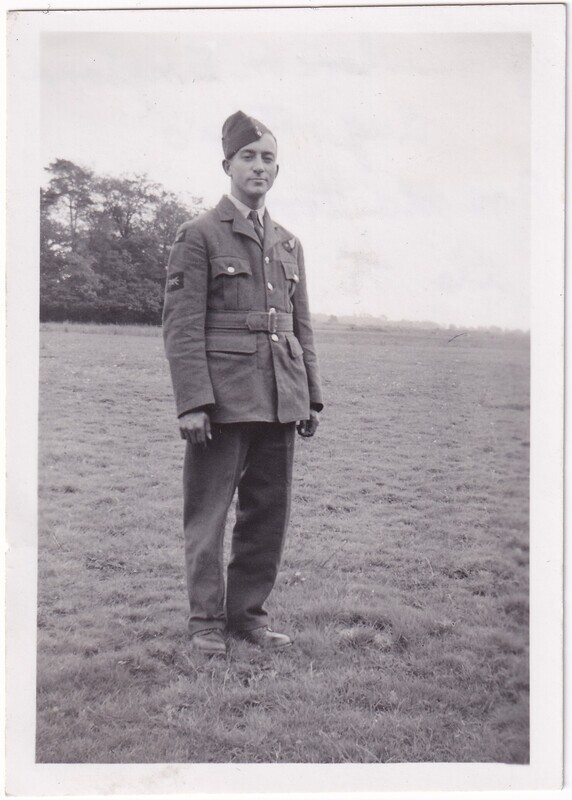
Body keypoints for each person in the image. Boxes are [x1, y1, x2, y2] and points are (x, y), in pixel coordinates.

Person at [163, 110, 323, 656]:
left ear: (277, 170)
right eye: (249, 156)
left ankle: (247, 618)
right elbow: (181, 326)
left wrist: (311, 396)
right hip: (223, 400)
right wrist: (192, 403)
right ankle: (206, 622)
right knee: (207, 515)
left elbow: (300, 325)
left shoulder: (289, 243)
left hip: (281, 397)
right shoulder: (198, 235)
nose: (259, 167)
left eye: (268, 158)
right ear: (227, 164)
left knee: (267, 514)